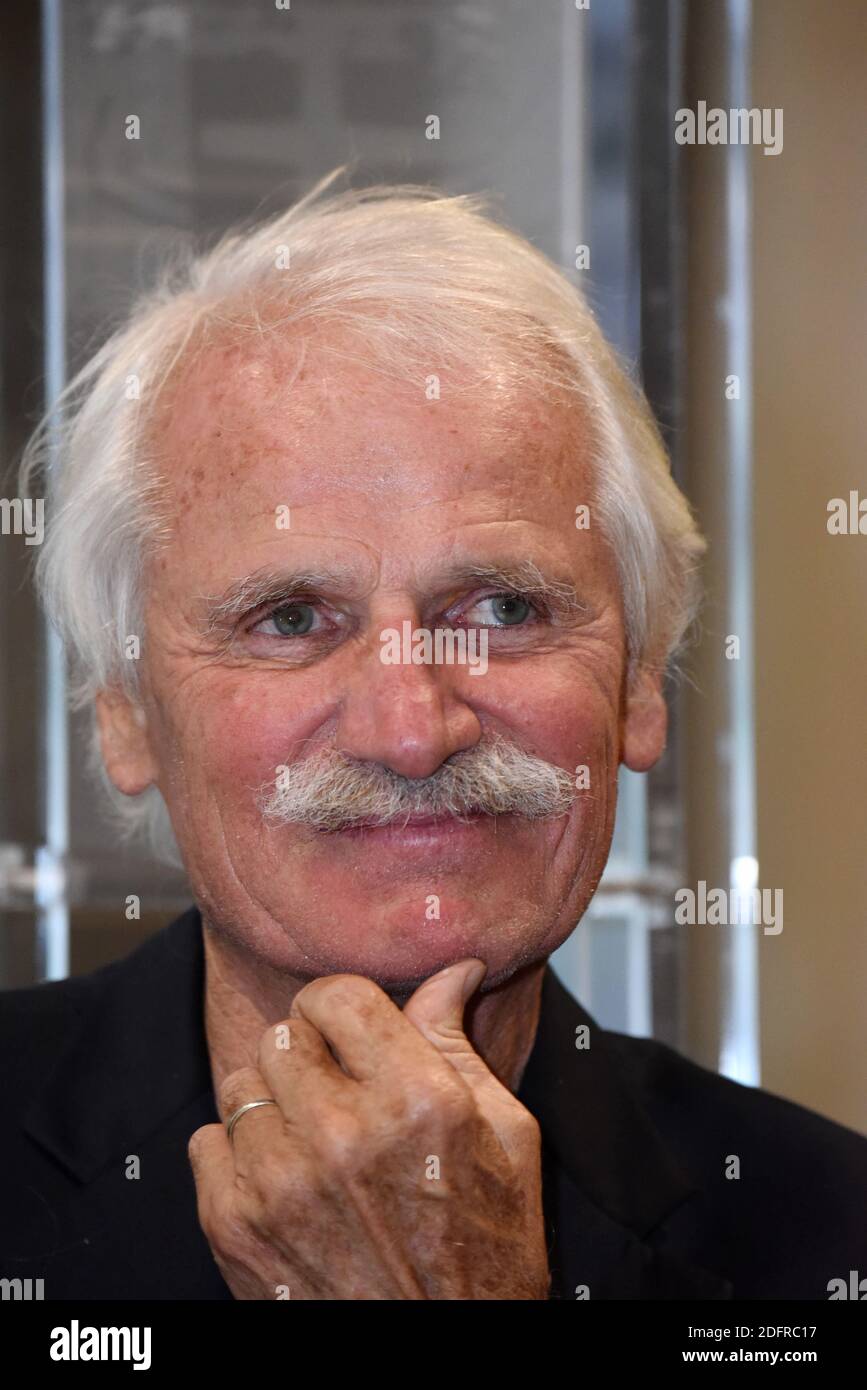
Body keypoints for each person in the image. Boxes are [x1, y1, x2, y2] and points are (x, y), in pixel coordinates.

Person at [3, 172, 865, 1300]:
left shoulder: (830, 1241)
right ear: (125, 708)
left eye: (503, 610)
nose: (413, 732)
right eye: (293, 619)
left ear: (641, 677)